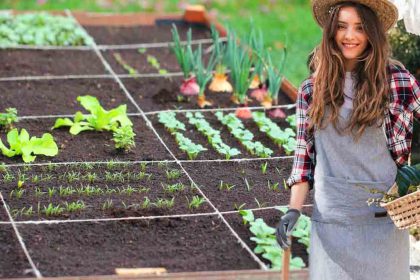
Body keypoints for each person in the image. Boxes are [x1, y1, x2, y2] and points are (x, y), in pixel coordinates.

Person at [275, 0, 420, 279]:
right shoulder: (312, 89)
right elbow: (303, 157)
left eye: (359, 28)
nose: (349, 36)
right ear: (331, 31)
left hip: (383, 222)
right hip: (332, 223)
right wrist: (293, 210)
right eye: (342, 27)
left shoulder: (397, 81)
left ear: (372, 33)